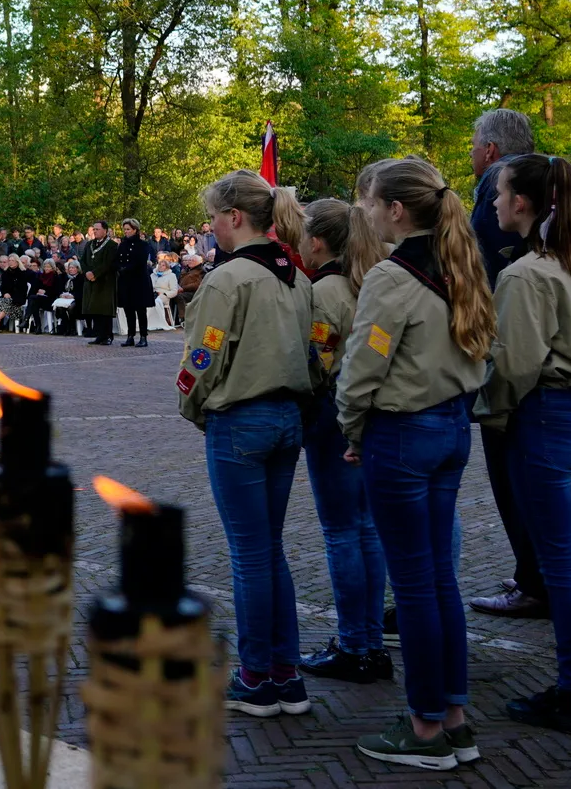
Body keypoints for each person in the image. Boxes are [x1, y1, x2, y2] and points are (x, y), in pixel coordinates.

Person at [343, 157, 496, 771]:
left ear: (396, 210)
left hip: (402, 434)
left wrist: (351, 428)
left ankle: (426, 727)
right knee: (438, 580)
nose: (367, 213)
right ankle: (452, 717)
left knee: (412, 586)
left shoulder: (391, 276)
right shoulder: (461, 263)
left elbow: (363, 364)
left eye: (372, 203)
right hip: (451, 425)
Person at [478, 153, 571, 736]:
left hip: (547, 418)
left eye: (501, 193)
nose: (491, 203)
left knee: (562, 563)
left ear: (523, 203)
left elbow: (513, 365)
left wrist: (490, 412)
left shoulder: (525, 274)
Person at [179, 171, 316, 721]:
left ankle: (256, 675)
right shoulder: (295, 277)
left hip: (241, 420)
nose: (210, 227)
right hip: (287, 417)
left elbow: (204, 355)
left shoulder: (228, 279)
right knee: (270, 549)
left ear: (235, 217)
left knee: (250, 555)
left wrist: (190, 403)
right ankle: (286, 671)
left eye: (213, 217)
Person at [294, 198, 390, 686]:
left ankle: (355, 643)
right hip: (376, 415)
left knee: (341, 531)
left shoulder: (323, 292)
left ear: (317, 242)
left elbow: (318, 361)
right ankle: (371, 639)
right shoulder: (373, 280)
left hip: (335, 415)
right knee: (368, 528)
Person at [463, 108, 549, 620]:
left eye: (475, 144)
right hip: (547, 349)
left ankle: (534, 580)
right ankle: (536, 571)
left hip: (513, 349)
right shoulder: (550, 179)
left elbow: (487, 269)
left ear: (491, 150)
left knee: (512, 472)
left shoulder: (504, 182)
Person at [115, 220, 154, 347]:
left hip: (139, 280)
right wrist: (119, 268)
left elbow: (140, 261)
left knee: (140, 310)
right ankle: (130, 336)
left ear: (135, 230)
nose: (126, 232)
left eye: (128, 229)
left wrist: (126, 268)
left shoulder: (143, 244)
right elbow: (117, 259)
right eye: (125, 229)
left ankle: (143, 336)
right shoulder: (122, 244)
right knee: (128, 309)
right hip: (126, 281)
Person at [79, 221, 117, 344]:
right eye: (93, 229)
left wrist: (95, 274)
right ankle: (99, 335)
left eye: (97, 229)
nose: (95, 231)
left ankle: (108, 336)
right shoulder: (89, 244)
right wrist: (87, 273)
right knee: (94, 309)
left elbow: (108, 263)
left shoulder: (111, 245)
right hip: (90, 281)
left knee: (104, 310)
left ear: (105, 230)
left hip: (104, 282)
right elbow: (83, 260)